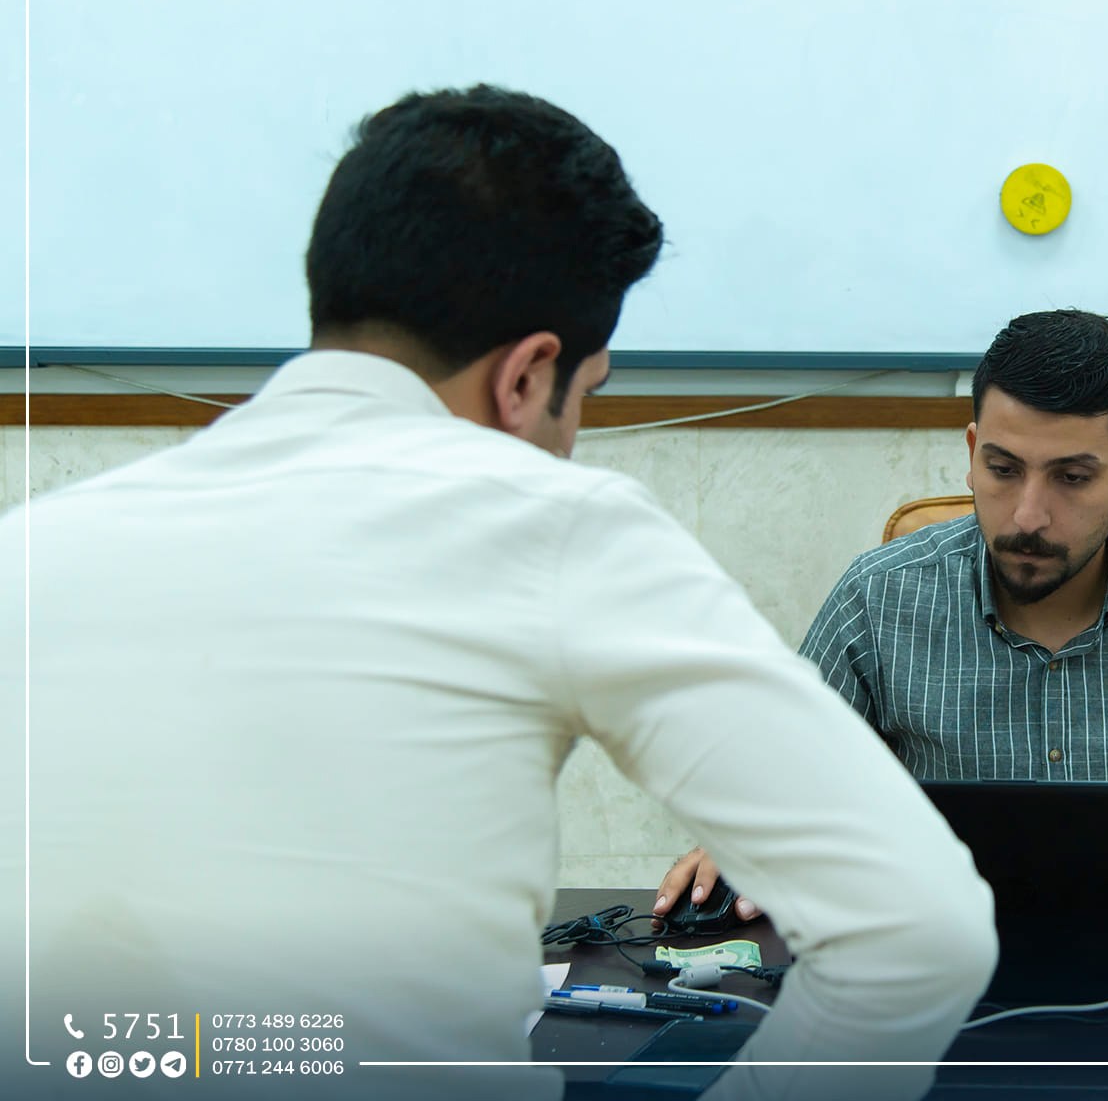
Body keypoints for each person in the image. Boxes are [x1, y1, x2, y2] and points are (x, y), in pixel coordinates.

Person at [0, 86, 993, 1101]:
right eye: (586, 396)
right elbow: (919, 929)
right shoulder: (555, 525)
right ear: (526, 378)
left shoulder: (30, 551)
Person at [659, 309, 1108, 929]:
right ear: (973, 454)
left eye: (1072, 478)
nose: (1028, 516)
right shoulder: (881, 596)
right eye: (1003, 470)